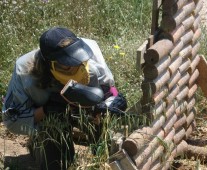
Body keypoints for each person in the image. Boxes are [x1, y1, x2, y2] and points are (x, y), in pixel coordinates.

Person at [2, 27, 127, 170]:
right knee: (58, 161)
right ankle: (38, 146)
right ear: (51, 64)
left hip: (85, 110)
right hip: (50, 116)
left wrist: (110, 104)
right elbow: (12, 121)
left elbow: (110, 90)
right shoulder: (25, 74)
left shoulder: (90, 52)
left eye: (80, 61)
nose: (80, 69)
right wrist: (47, 109)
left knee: (103, 134)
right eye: (69, 65)